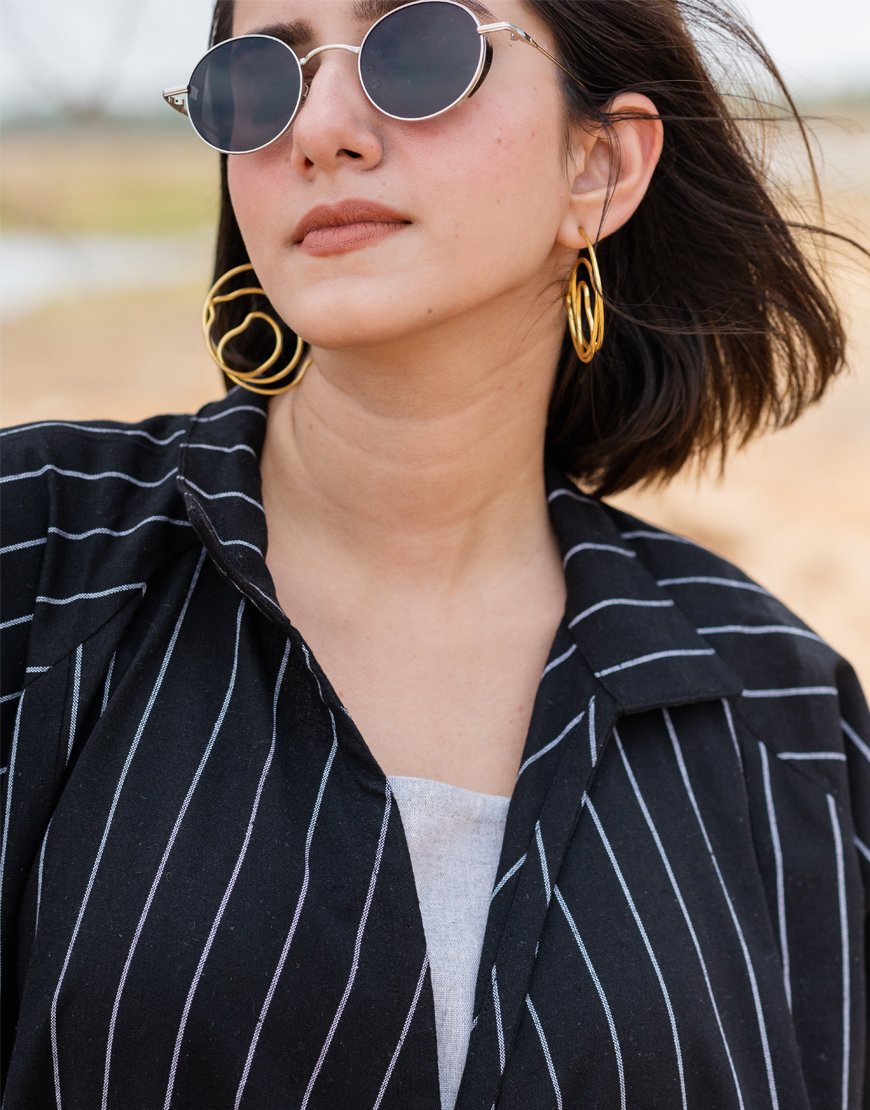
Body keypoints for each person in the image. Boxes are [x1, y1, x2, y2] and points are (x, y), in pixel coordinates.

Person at [1, 0, 867, 1106]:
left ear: (598, 165)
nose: (318, 125)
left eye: (420, 47)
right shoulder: (35, 553)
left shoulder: (785, 711)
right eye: (261, 74)